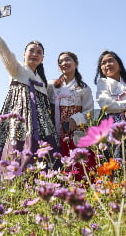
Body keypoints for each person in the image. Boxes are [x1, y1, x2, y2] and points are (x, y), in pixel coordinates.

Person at [0, 7, 61, 177]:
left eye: (39, 52)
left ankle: (44, 181)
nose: (35, 54)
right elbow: (4, 50)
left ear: (42, 58)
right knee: (18, 150)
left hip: (42, 125)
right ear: (24, 54)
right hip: (20, 121)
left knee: (43, 152)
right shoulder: (17, 69)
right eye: (31, 50)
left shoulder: (43, 81)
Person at [47, 52, 96, 181]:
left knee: (78, 168)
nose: (64, 63)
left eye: (68, 60)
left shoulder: (84, 88)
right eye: (61, 62)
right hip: (54, 132)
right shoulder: (51, 86)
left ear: (76, 63)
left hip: (74, 132)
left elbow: (89, 112)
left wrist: (75, 119)